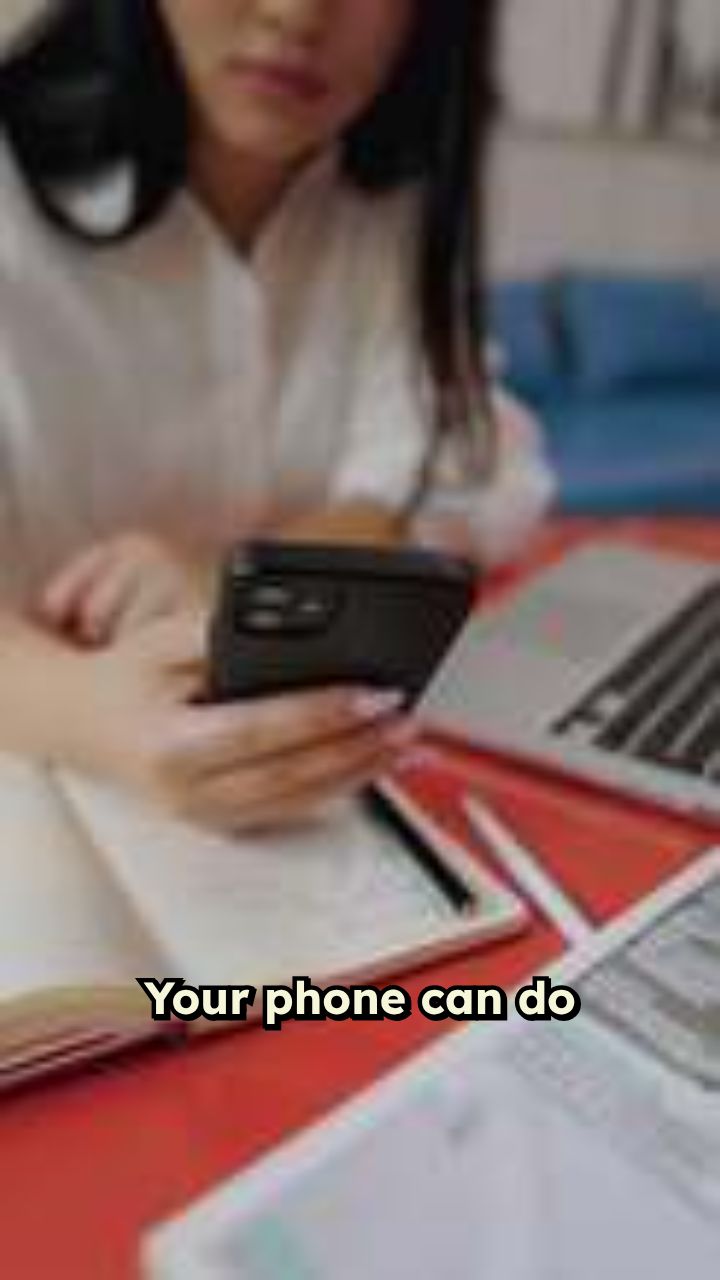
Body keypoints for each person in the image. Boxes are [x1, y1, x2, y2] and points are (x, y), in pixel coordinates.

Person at [0, 0, 552, 833]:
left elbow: (471, 468)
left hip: (307, 808)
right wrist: (82, 709)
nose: (297, 12)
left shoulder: (388, 191)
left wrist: (238, 579)